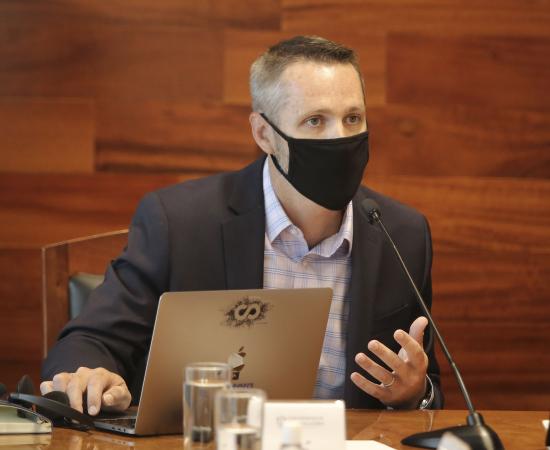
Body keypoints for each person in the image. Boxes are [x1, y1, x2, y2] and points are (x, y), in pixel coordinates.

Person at [41, 35, 443, 416]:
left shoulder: (402, 236)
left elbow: (428, 388)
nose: (340, 137)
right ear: (264, 134)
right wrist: (88, 375)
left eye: (353, 118)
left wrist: (415, 394)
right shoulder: (180, 224)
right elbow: (90, 341)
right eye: (315, 121)